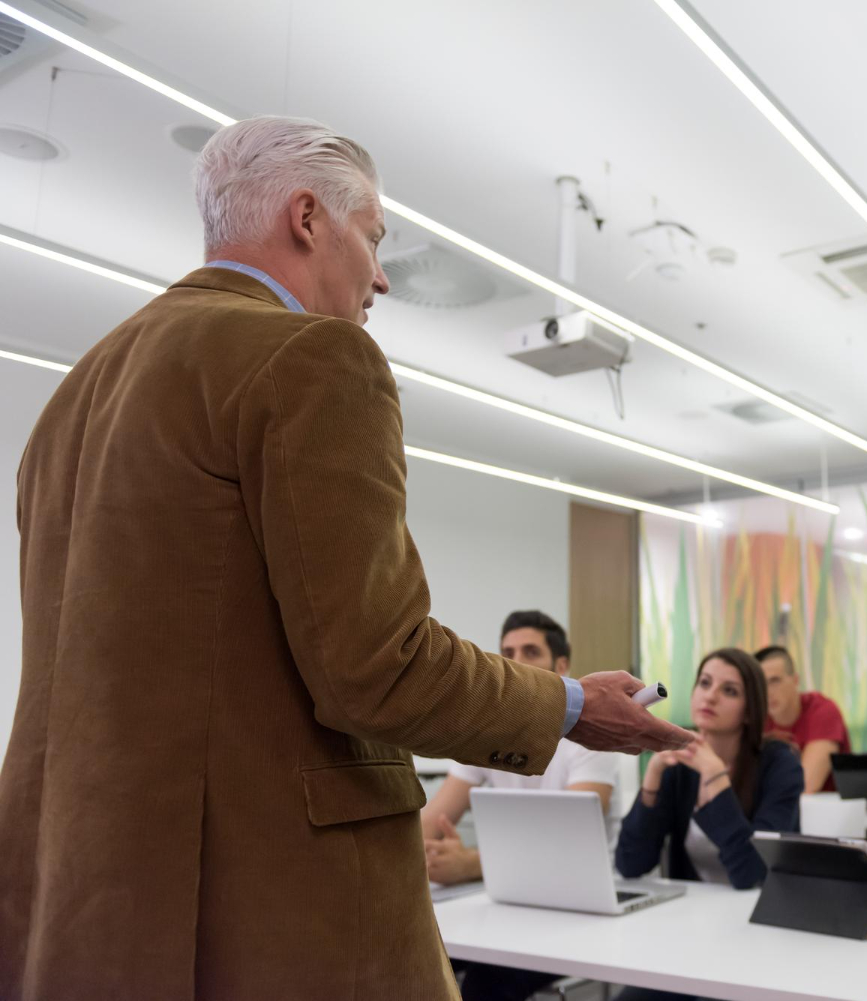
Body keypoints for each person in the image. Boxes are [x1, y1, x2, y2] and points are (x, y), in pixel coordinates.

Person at [0, 115, 690, 1001]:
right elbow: (376, 665)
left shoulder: (75, 398)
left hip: (85, 895)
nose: (383, 276)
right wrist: (566, 704)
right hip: (270, 901)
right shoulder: (311, 355)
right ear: (306, 217)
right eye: (374, 238)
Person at [422, 612, 618, 1001]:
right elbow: (429, 822)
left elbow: (569, 841)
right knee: (415, 964)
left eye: (531, 652)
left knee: (482, 987)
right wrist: (426, 853)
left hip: (573, 907)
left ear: (562, 667)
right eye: (508, 652)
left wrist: (471, 865)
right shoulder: (485, 736)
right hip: (503, 904)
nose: (516, 663)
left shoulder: (592, 742)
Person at [615, 649, 803, 890]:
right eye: (705, 683)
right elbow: (630, 864)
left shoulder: (781, 765)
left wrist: (715, 777)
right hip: (694, 913)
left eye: (729, 691)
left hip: (763, 912)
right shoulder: (679, 761)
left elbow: (752, 873)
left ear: (749, 711)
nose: (711, 696)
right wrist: (652, 776)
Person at [757, 645, 851, 793]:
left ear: (795, 680)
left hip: (825, 813)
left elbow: (805, 785)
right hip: (780, 811)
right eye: (760, 685)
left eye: (774, 681)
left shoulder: (822, 710)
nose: (767, 692)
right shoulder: (757, 719)